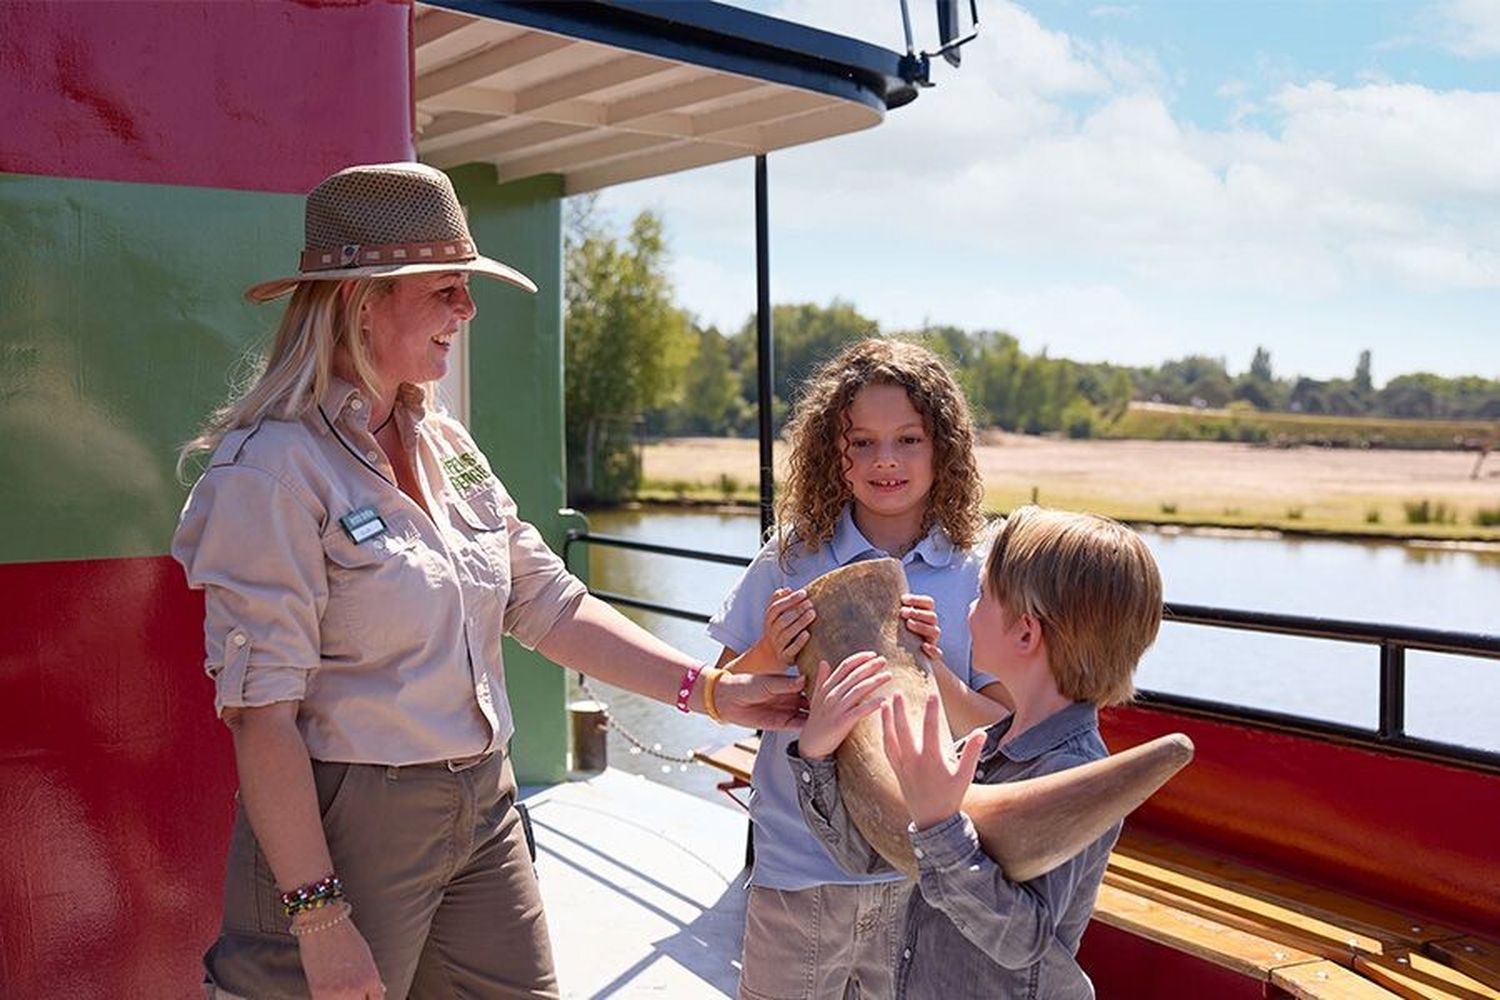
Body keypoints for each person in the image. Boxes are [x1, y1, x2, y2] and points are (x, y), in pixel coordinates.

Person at [171, 161, 804, 1000]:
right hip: (348, 820)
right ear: (365, 301)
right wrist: (319, 917)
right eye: (445, 289)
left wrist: (712, 691)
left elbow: (546, 601)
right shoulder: (273, 472)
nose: (466, 310)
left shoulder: (448, 447)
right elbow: (263, 719)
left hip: (483, 802)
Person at [708, 338, 1009, 1000]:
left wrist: (936, 671)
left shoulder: (977, 574)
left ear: (943, 449)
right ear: (832, 454)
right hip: (799, 871)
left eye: (908, 440)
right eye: (863, 443)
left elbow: (1002, 729)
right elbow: (725, 687)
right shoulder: (791, 559)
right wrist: (768, 653)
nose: (886, 461)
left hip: (924, 881)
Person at [791, 505, 1164, 999]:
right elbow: (869, 857)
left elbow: (1020, 941)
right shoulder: (980, 748)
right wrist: (817, 755)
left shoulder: (1072, 771)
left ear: (1026, 633)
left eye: (983, 595)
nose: (969, 608)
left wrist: (941, 827)